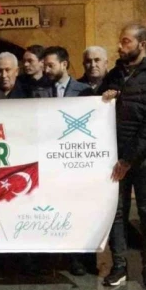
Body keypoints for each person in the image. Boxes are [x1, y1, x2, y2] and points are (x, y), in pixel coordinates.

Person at [101, 24, 146, 289]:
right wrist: (106, 97)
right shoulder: (115, 74)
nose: (120, 47)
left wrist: (129, 159)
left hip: (145, 159)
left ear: (142, 44)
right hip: (114, 156)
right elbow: (99, 108)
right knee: (116, 211)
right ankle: (119, 265)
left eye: (126, 41)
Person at [42, 46, 93, 275]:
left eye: (51, 65)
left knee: (77, 209)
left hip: (74, 161)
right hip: (49, 161)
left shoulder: (84, 91)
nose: (46, 69)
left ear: (64, 64)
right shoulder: (40, 91)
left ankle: (77, 258)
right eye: (45, 65)